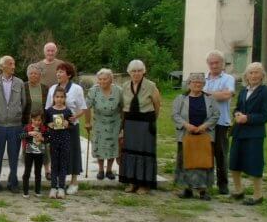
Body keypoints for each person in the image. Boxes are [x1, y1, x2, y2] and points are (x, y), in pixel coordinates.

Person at [229, 62, 267, 206]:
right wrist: (236, 113)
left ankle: (257, 195)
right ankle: (238, 190)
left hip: (255, 133)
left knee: (255, 163)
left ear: (262, 75)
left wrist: (247, 118)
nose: (254, 75)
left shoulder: (266, 91)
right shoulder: (243, 90)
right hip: (239, 131)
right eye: (251, 73)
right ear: (246, 76)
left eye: (257, 72)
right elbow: (237, 107)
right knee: (234, 161)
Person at [172, 73, 220, 201]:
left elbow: (215, 115)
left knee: (203, 162)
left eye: (200, 82)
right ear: (189, 84)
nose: (197, 84)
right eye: (194, 82)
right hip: (186, 135)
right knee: (186, 162)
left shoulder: (210, 99)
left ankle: (203, 191)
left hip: (204, 135)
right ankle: (187, 189)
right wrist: (186, 125)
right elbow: (175, 115)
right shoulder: (180, 99)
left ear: (203, 84)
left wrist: (204, 126)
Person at [0, 56, 30, 194]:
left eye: (14, 63)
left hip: (15, 125)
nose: (13, 66)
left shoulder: (19, 83)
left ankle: (13, 183)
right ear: (2, 66)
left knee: (13, 156)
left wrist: (15, 114)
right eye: (10, 64)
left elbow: (23, 103)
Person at [45, 62, 89, 194]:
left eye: (61, 72)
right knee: (57, 155)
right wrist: (49, 124)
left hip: (71, 127)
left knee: (73, 153)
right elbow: (48, 107)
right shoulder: (53, 88)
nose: (58, 74)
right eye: (57, 71)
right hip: (55, 129)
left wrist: (75, 117)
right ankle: (58, 182)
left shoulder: (76, 89)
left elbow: (83, 108)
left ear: (69, 74)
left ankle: (74, 182)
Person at [120, 60, 162, 194]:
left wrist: (151, 120)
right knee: (130, 152)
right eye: (133, 71)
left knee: (145, 153)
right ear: (129, 73)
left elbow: (157, 105)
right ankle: (132, 182)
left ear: (144, 71)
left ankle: (144, 185)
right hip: (130, 123)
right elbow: (123, 107)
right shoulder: (125, 86)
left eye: (139, 70)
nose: (136, 73)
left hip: (145, 123)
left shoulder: (151, 86)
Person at [203, 50, 235, 194]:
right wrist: (217, 94)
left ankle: (223, 185)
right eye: (211, 63)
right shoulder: (203, 78)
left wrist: (207, 94)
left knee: (221, 154)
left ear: (222, 64)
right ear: (208, 64)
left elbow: (227, 95)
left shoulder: (228, 78)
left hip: (221, 122)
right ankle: (207, 183)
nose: (214, 65)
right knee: (206, 154)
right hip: (204, 123)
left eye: (217, 62)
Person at [86, 68, 123, 180]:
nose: (102, 81)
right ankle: (101, 170)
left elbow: (123, 108)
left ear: (111, 79)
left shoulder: (119, 91)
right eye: (100, 79)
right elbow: (87, 107)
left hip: (115, 122)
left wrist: (123, 123)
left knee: (112, 146)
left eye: (105, 79)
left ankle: (109, 170)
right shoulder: (93, 91)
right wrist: (87, 122)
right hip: (99, 122)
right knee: (99, 145)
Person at [45, 87, 73, 199]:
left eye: (62, 97)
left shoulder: (67, 111)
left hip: (65, 140)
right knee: (54, 164)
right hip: (53, 141)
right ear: (53, 98)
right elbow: (45, 123)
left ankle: (61, 187)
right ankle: (53, 187)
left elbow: (72, 126)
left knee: (63, 164)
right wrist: (49, 125)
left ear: (65, 98)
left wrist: (68, 124)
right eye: (57, 97)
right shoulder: (49, 111)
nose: (59, 99)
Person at [26, 63, 51, 183]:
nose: (34, 75)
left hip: (42, 122)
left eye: (36, 73)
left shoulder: (45, 88)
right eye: (31, 73)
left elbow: (48, 105)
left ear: (40, 75)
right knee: (29, 146)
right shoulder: (23, 87)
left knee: (44, 146)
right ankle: (29, 171)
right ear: (28, 75)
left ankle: (47, 170)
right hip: (28, 122)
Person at [20, 113, 47, 198]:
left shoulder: (43, 129)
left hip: (39, 153)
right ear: (31, 119)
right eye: (35, 120)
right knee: (27, 171)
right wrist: (29, 133)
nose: (37, 122)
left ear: (41, 120)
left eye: (39, 120)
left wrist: (42, 138)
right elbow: (21, 136)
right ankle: (25, 191)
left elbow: (48, 139)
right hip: (29, 152)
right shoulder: (27, 127)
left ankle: (37, 190)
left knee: (38, 172)